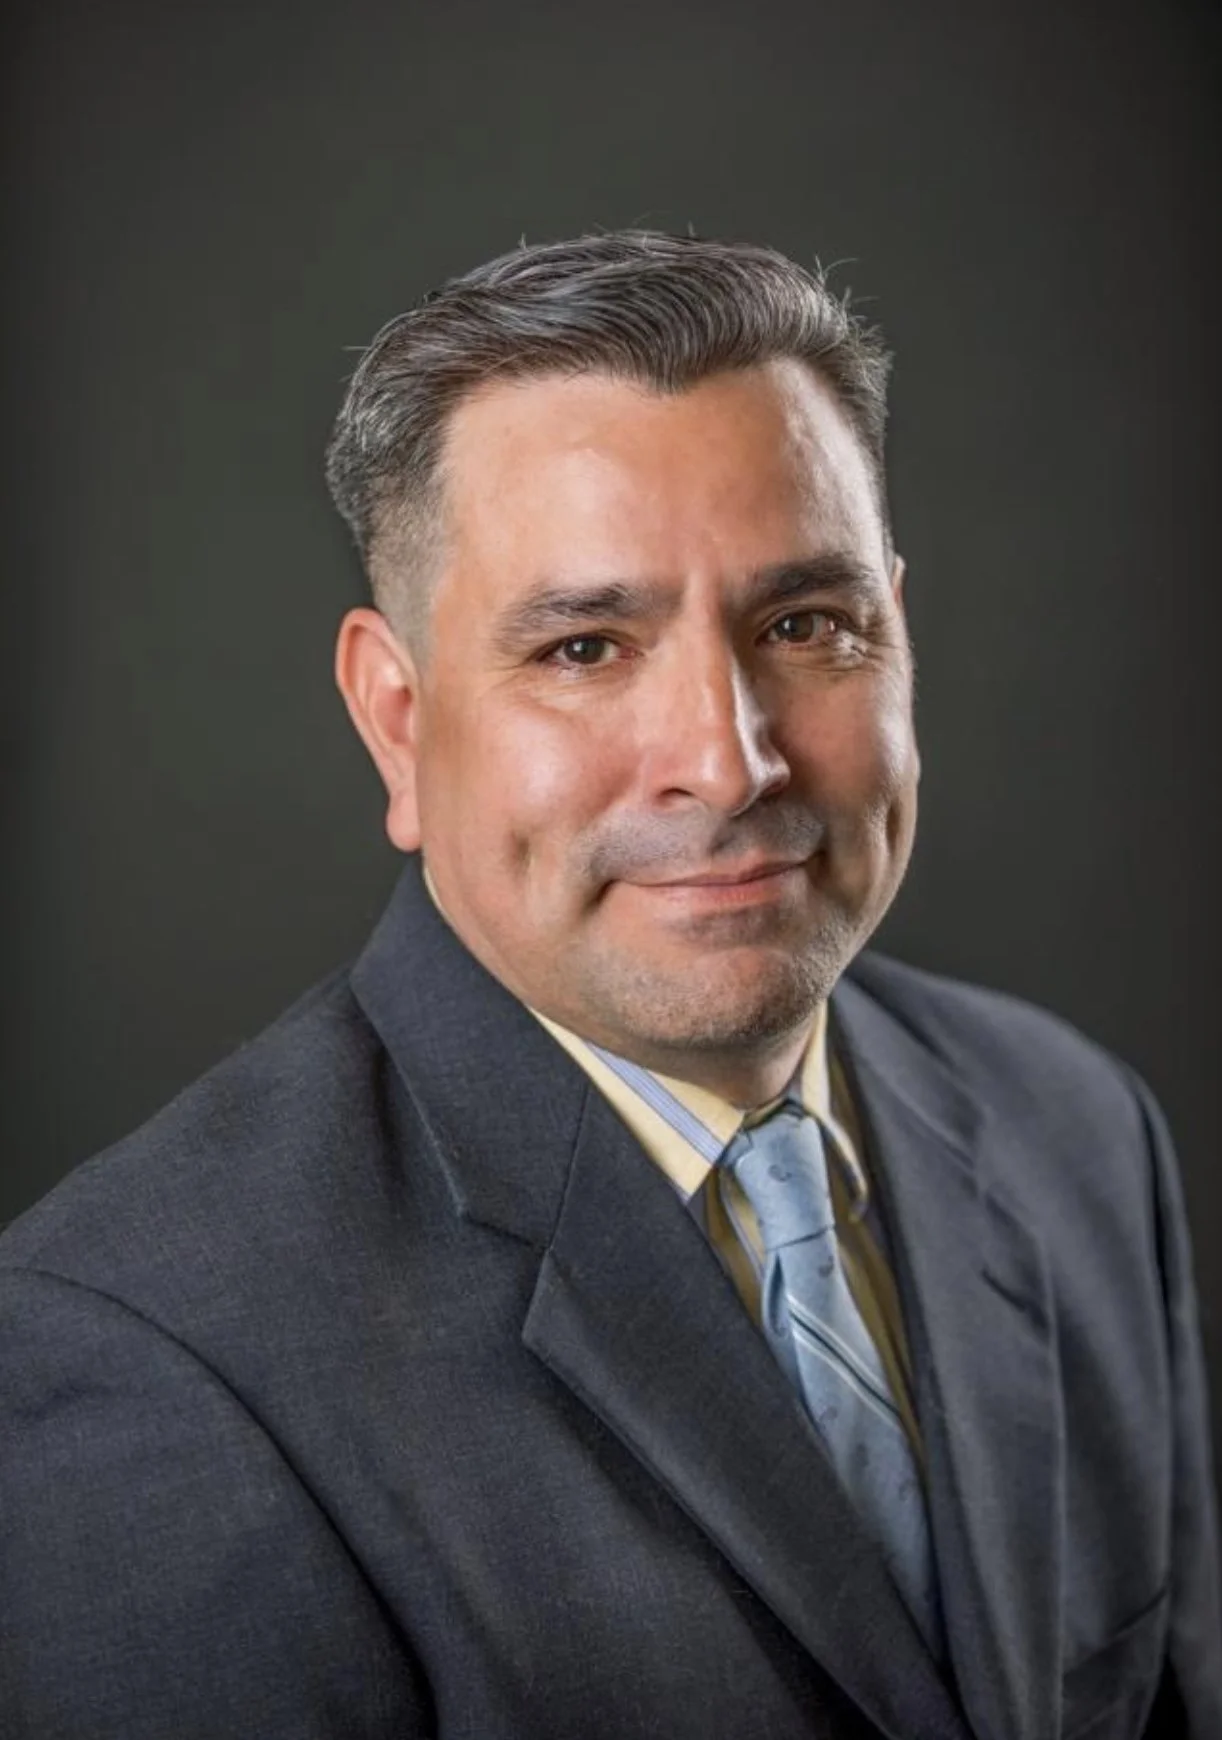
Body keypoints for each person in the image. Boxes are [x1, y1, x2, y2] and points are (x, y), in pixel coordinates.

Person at [1, 231, 1218, 1740]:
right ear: (396, 720)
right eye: (584, 646)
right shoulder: (149, 1357)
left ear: (897, 628)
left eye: (804, 626)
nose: (726, 759)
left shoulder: (1078, 1133)